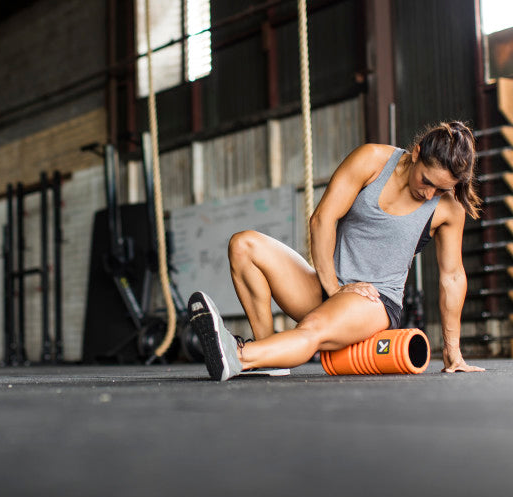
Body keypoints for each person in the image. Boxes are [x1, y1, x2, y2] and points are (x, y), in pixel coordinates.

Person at [188, 120, 487, 381]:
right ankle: (268, 356)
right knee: (243, 244)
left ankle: (240, 355)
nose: (429, 193)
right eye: (427, 181)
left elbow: (452, 277)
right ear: (417, 152)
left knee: (313, 327)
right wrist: (333, 287)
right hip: (328, 285)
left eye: (440, 189)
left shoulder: (449, 208)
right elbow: (322, 219)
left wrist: (453, 351)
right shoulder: (372, 160)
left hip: (375, 302)